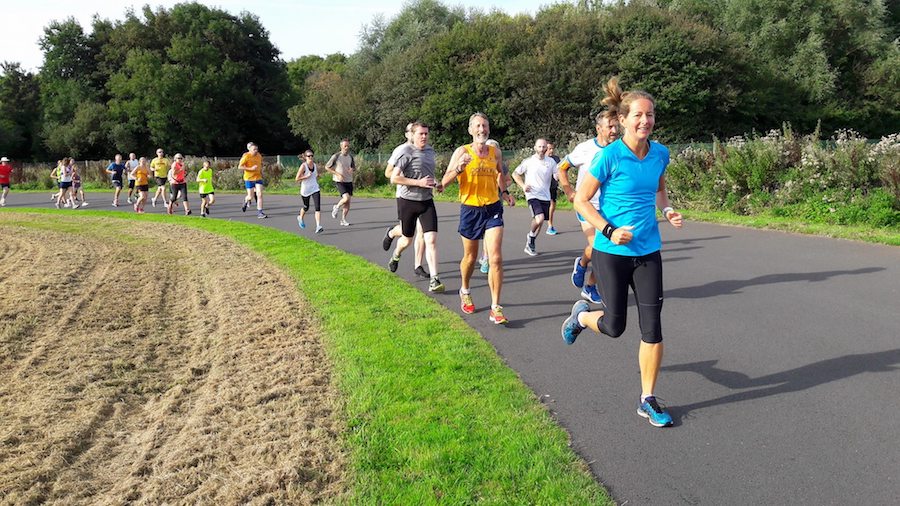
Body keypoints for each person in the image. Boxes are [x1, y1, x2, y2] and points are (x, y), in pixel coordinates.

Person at [560, 77, 684, 428]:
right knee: (614, 326)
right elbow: (581, 201)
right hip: (610, 251)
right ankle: (580, 318)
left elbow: (659, 190)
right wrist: (609, 230)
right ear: (624, 119)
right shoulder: (609, 156)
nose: (645, 121)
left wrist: (667, 210)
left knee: (652, 327)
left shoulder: (660, 153)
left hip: (648, 250)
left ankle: (648, 399)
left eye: (650, 115)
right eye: (638, 115)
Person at [440, 112, 515, 324]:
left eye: (485, 126)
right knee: (470, 258)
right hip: (470, 209)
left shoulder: (495, 152)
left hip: (492, 208)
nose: (482, 129)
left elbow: (500, 174)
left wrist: (505, 193)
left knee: (495, 258)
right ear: (470, 130)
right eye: (478, 126)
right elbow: (444, 182)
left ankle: (496, 308)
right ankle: (465, 289)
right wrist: (459, 167)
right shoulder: (462, 151)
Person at [557, 110, 620, 304]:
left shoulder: (621, 149)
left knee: (607, 250)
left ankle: (587, 277)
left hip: (610, 208)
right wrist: (568, 190)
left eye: (616, 126)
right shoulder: (584, 149)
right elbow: (561, 167)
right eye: (610, 126)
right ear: (599, 128)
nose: (614, 130)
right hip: (587, 205)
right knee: (599, 247)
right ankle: (588, 279)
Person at [385, 122, 445, 292]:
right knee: (407, 240)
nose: (424, 136)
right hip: (408, 201)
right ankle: (396, 255)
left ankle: (435, 280)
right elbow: (393, 178)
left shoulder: (430, 151)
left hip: (426, 201)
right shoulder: (406, 152)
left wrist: (436, 183)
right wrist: (418, 183)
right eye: (421, 134)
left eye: (426, 133)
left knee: (431, 239)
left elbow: (428, 175)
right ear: (413, 135)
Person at [382, 122, 428, 278]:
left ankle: (418, 265)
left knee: (423, 231)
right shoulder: (401, 150)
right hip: (405, 195)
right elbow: (388, 173)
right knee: (407, 234)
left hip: (423, 196)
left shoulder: (425, 150)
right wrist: (407, 178)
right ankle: (392, 234)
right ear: (407, 134)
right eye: (410, 131)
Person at [512, 138, 558, 256]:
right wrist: (523, 185)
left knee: (540, 222)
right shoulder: (529, 161)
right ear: (535, 148)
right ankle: (531, 237)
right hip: (532, 194)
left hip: (545, 196)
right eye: (539, 147)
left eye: (544, 147)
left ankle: (530, 242)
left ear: (547, 148)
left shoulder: (551, 162)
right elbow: (515, 174)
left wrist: (559, 177)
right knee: (539, 218)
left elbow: (556, 174)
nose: (542, 149)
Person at [477, 139, 511, 275]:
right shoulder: (479, 163)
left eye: (493, 149)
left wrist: (502, 188)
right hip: (479, 203)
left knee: (490, 232)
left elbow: (508, 180)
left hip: (496, 202)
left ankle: (486, 258)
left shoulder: (501, 165)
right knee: (482, 234)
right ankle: (485, 256)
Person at [325, 139, 355, 226]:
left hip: (349, 180)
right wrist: (337, 174)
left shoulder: (350, 157)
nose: (347, 148)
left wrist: (352, 169)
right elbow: (327, 167)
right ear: (341, 146)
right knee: (346, 198)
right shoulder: (336, 156)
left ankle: (343, 220)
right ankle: (336, 207)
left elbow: (353, 167)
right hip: (339, 181)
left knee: (348, 202)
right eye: (345, 146)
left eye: (348, 146)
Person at [295, 150, 323, 233]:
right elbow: (297, 178)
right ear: (305, 157)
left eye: (312, 156)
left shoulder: (315, 165)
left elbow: (316, 176)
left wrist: (318, 176)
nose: (310, 157)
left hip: (315, 188)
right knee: (306, 207)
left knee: (317, 208)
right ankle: (300, 217)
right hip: (305, 190)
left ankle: (318, 226)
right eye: (309, 156)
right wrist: (306, 176)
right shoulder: (303, 166)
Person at [240, 142, 266, 219]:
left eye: (257, 149)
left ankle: (260, 212)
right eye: (254, 149)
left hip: (258, 177)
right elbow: (240, 167)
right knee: (250, 196)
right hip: (249, 178)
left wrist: (261, 173)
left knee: (260, 194)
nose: (256, 151)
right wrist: (250, 169)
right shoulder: (246, 156)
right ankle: (246, 200)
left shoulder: (259, 156)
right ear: (250, 150)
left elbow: (260, 165)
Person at [546, 142, 562, 235]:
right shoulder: (541, 159)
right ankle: (547, 224)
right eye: (549, 149)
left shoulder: (556, 159)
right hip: (543, 186)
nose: (551, 150)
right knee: (545, 206)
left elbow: (560, 170)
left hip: (553, 186)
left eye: (552, 148)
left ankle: (550, 225)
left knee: (552, 205)